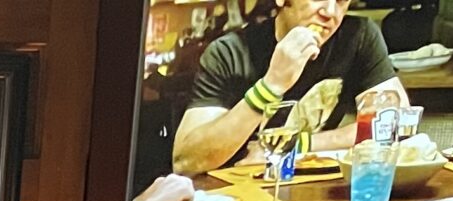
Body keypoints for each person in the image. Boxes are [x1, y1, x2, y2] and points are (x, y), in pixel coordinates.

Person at [171, 0, 407, 176]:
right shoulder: (228, 53)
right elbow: (185, 162)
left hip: (313, 185)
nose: (330, 12)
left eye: (341, 1)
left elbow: (397, 123)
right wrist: (272, 84)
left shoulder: (358, 36)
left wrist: (296, 145)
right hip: (235, 190)